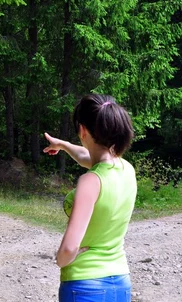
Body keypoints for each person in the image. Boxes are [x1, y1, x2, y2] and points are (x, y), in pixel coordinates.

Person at [43, 94, 137, 302]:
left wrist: (61, 259)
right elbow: (91, 157)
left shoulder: (90, 181)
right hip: (120, 283)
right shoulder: (126, 169)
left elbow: (68, 249)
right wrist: (64, 145)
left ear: (83, 131)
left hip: (85, 286)